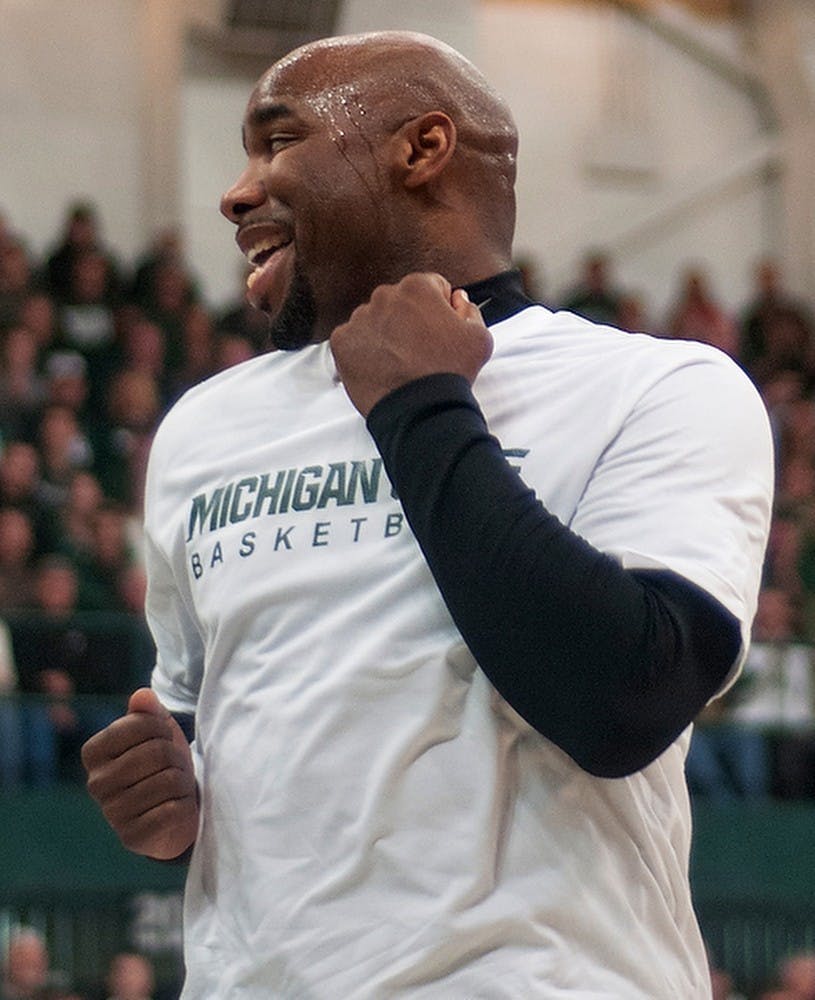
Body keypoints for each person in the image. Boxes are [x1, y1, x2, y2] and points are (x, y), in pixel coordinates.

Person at [81, 31, 774, 998]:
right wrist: (169, 797)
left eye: (276, 142)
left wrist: (419, 406)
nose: (237, 194)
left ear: (422, 148)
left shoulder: (656, 388)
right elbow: (209, 729)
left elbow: (625, 702)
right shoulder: (206, 427)